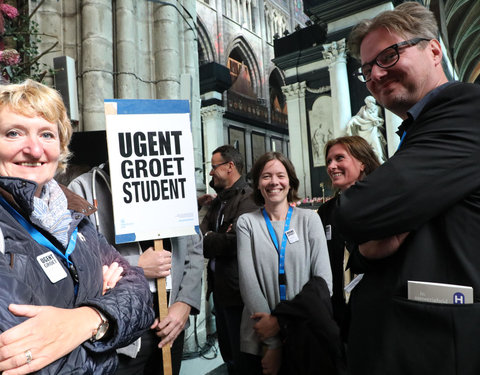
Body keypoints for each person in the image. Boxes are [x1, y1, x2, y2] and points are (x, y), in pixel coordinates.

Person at [334, 2, 480, 374]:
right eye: (366, 69)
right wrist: (370, 246)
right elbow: (368, 236)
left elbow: (355, 211)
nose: (376, 75)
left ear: (434, 50)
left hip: (436, 349)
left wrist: (372, 228)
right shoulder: (417, 129)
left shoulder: (466, 108)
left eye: (389, 55)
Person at [0, 79, 154, 374]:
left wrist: (90, 317)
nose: (34, 149)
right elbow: (20, 354)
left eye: (47, 134)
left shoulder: (75, 217)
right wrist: (104, 304)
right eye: (14, 133)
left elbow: (139, 294)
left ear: (60, 147)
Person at [68, 163, 204, 375]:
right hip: (121, 329)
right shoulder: (84, 187)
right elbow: (78, 256)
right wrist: (136, 266)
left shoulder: (176, 180)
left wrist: (185, 302)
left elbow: (194, 246)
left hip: (171, 320)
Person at [236, 151, 333, 374]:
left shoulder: (309, 219)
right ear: (258, 184)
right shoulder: (247, 223)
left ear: (290, 181)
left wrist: (282, 322)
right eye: (266, 176)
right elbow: (248, 283)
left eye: (280, 175)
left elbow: (323, 283)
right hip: (259, 335)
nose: (274, 182)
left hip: (304, 332)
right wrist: (273, 343)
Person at [200, 145, 258, 375]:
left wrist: (213, 238)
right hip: (219, 290)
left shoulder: (250, 198)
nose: (211, 173)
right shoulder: (217, 201)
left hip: (238, 291)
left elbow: (237, 242)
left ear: (230, 167)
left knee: (243, 356)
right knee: (228, 355)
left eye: (214, 167)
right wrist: (215, 236)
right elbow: (199, 239)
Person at [317, 136, 380, 341]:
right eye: (328, 161)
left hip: (377, 308)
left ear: (362, 162)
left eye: (339, 158)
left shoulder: (382, 203)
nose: (332, 166)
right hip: (338, 314)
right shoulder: (325, 211)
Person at [346, 96, 386, 163]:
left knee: (377, 146)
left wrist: (377, 121)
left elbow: (381, 119)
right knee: (365, 148)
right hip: (363, 131)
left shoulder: (378, 109)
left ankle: (380, 159)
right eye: (366, 102)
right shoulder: (363, 109)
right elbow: (357, 117)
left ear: (372, 102)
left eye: (369, 102)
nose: (368, 103)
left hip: (373, 129)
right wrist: (351, 121)